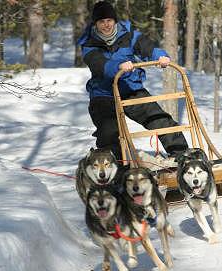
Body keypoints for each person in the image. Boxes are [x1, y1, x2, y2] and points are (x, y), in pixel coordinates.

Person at [77, 0, 188, 160]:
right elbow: (99, 65)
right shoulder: (88, 44)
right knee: (109, 134)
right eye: (102, 22)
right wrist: (118, 66)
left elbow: (147, 47)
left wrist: (160, 56)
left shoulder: (128, 34)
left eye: (109, 20)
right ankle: (115, 170)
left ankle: (182, 157)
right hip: (103, 94)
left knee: (160, 120)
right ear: (95, 24)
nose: (106, 25)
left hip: (130, 89)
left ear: (114, 21)